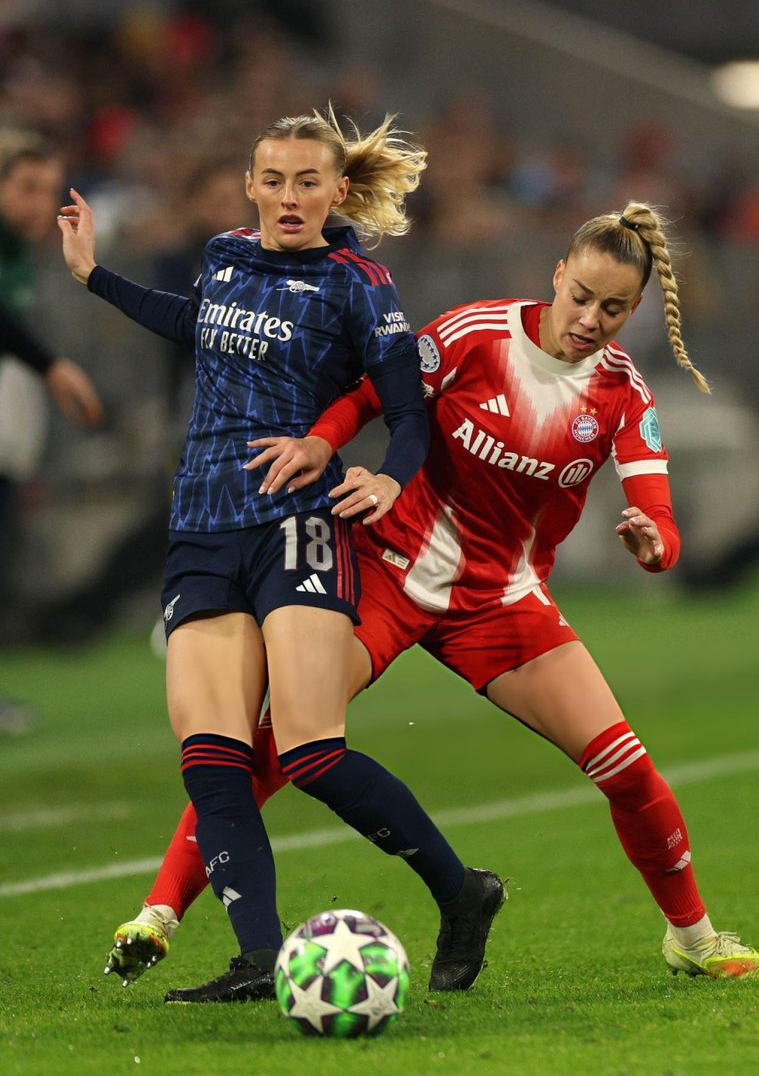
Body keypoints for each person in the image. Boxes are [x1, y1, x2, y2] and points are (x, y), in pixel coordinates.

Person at [105, 201, 759, 986]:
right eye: (583, 297)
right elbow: (373, 394)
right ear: (557, 276)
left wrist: (653, 542)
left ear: (634, 309)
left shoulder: (625, 397)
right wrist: (325, 439)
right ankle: (159, 912)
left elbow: (658, 517)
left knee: (628, 769)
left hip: (501, 600)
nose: (592, 319)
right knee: (286, 741)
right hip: (385, 572)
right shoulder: (473, 334)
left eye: (614, 308)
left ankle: (694, 938)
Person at [58, 108, 504, 1004]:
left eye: (309, 181)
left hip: (299, 522)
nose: (290, 197)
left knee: (308, 750)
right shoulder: (224, 255)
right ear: (251, 186)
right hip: (202, 523)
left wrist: (387, 480)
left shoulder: (358, 282)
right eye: (275, 180)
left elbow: (408, 409)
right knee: (213, 755)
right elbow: (196, 324)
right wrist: (93, 275)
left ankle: (462, 893)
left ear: (338, 191)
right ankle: (258, 959)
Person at [0, 130, 102, 734]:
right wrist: (52, 366)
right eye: (27, 188)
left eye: (50, 191)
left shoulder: (11, 253)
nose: (40, 204)